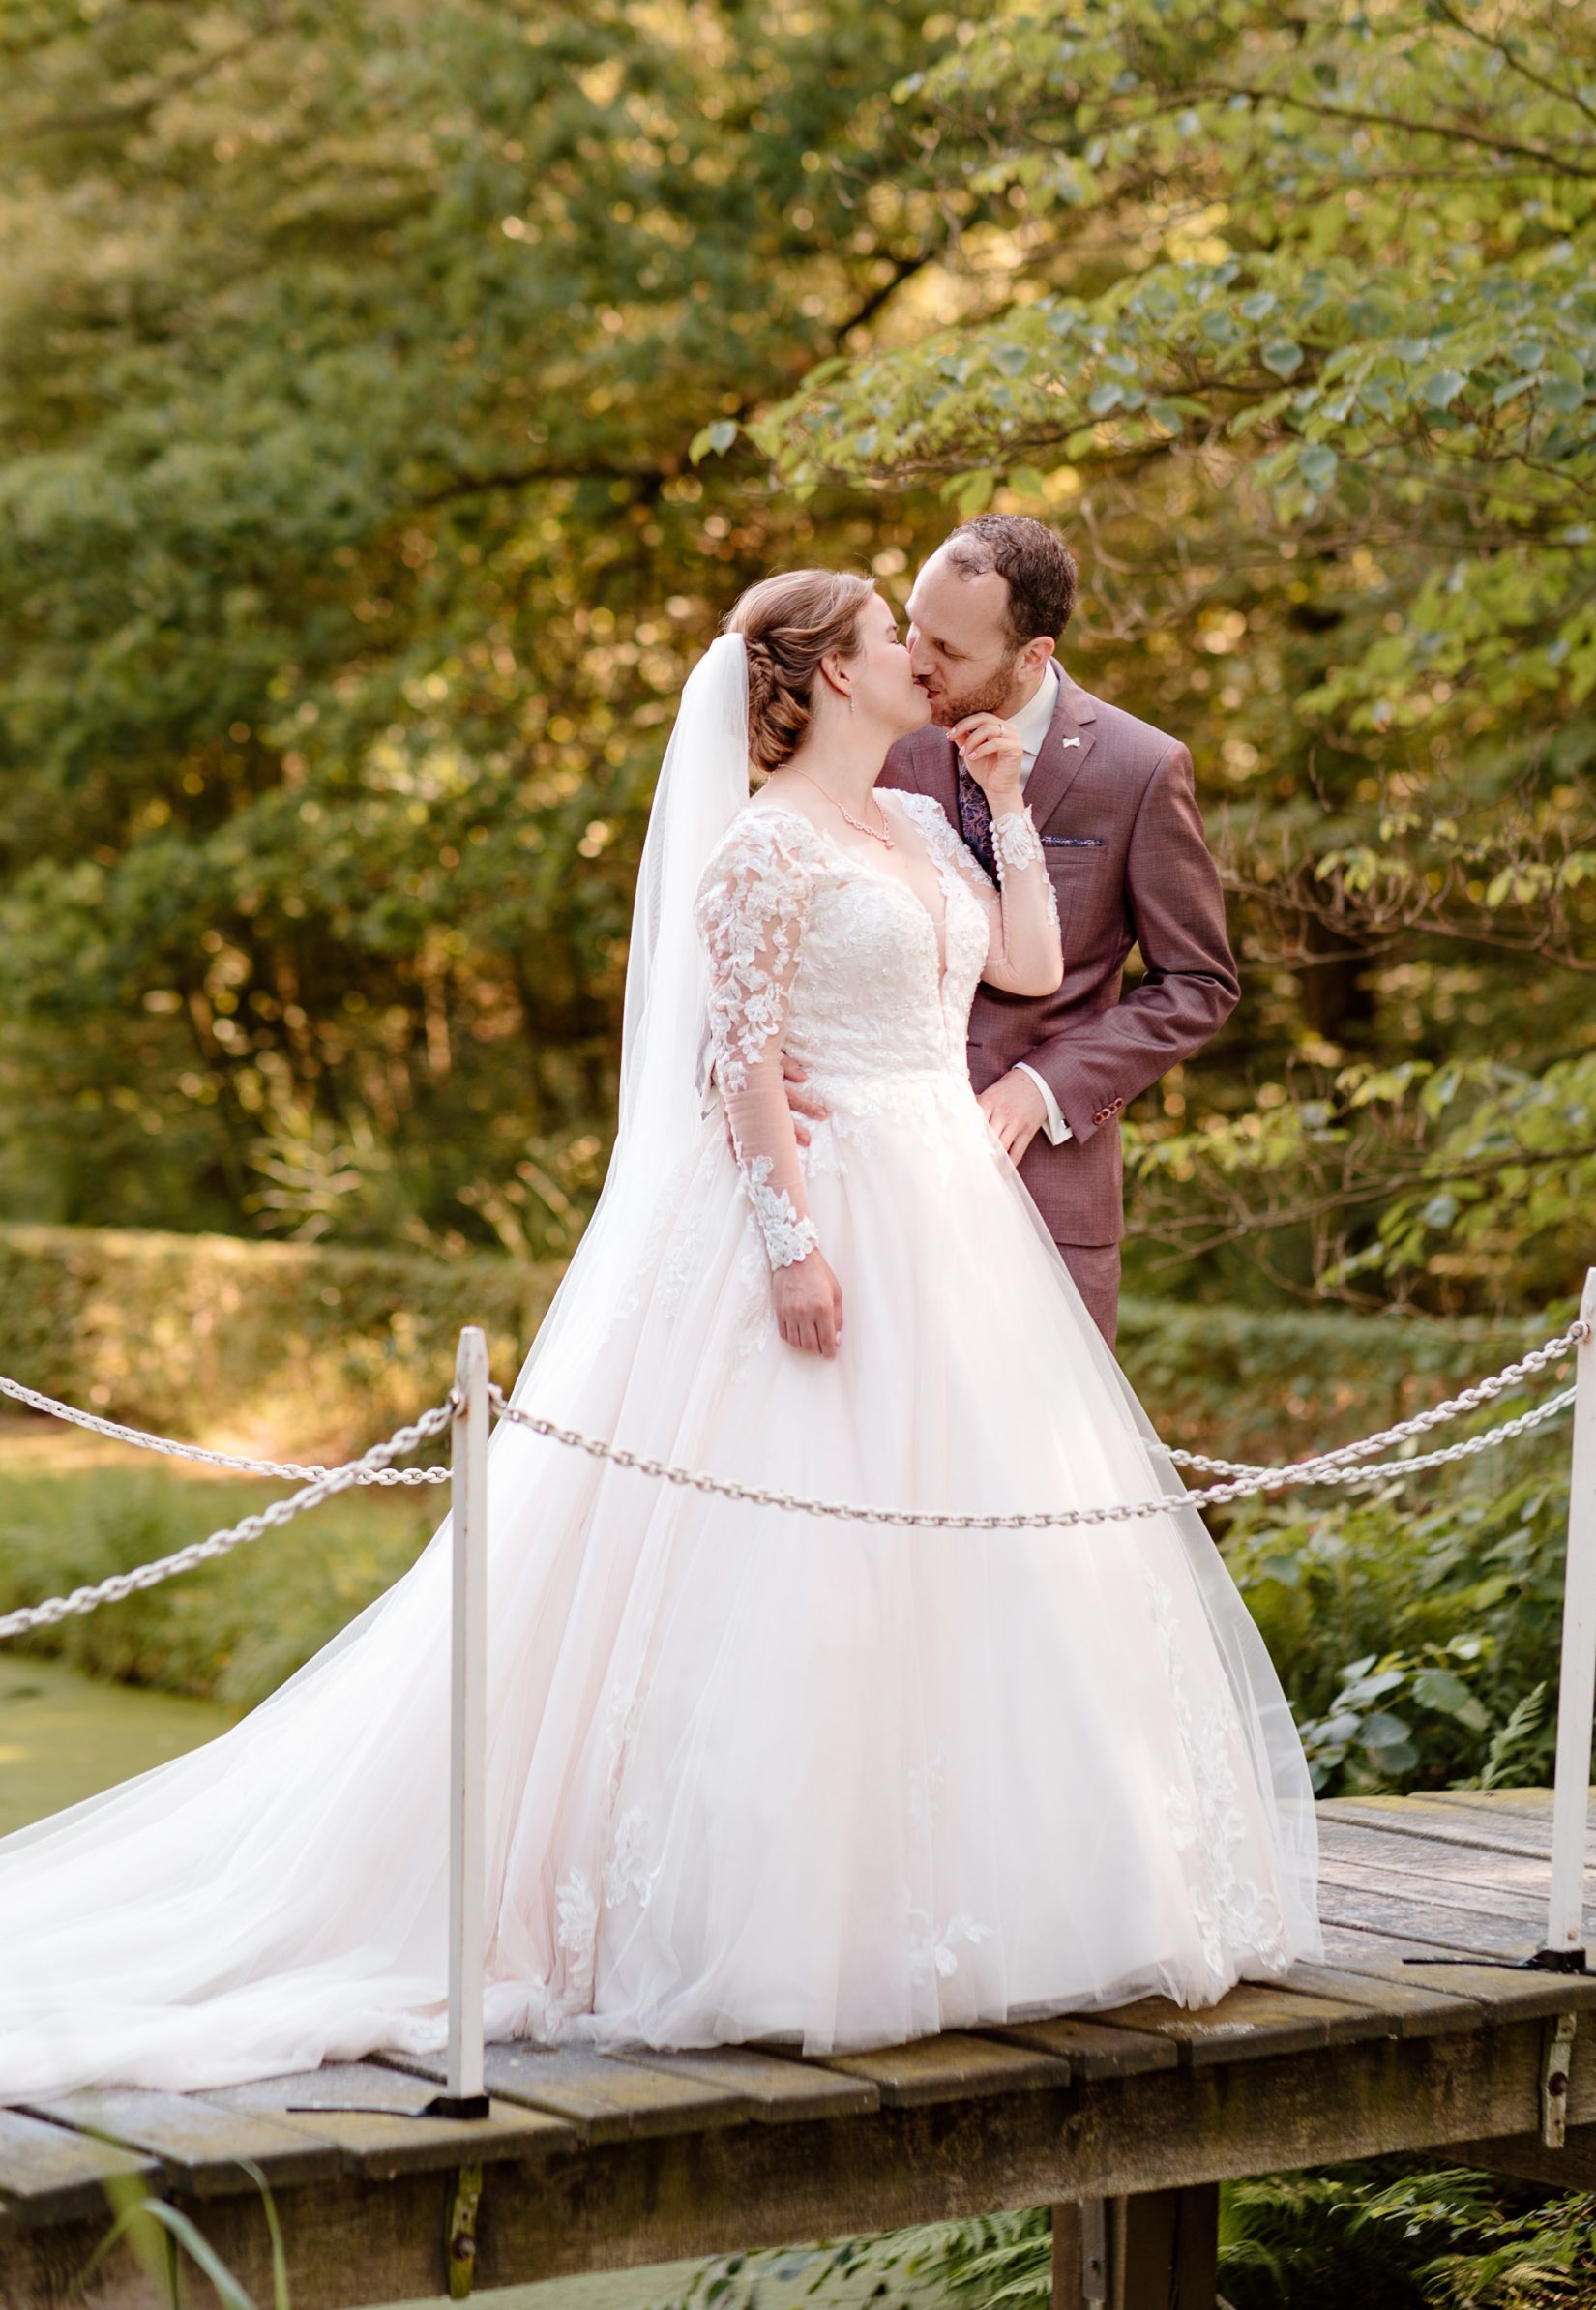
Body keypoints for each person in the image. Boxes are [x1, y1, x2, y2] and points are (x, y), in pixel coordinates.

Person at [0, 568, 1320, 2100]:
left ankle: (988, 1897)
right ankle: (759, 1921)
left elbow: (1026, 967)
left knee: (969, 1555)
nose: (916, 659)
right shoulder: (757, 847)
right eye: (893, 638)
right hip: (831, 1222)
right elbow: (741, 1056)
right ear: (833, 675)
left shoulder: (910, 817)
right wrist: (786, 1246)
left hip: (955, 1227)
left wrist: (1010, 808)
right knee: (795, 1570)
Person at [872, 517, 1240, 1347]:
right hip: (875, 1179)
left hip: (1044, 1192)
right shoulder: (881, 736)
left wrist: (1041, 1089)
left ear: (1032, 656)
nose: (916, 661)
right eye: (910, 627)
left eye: (950, 651)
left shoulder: (1139, 769)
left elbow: (1197, 984)